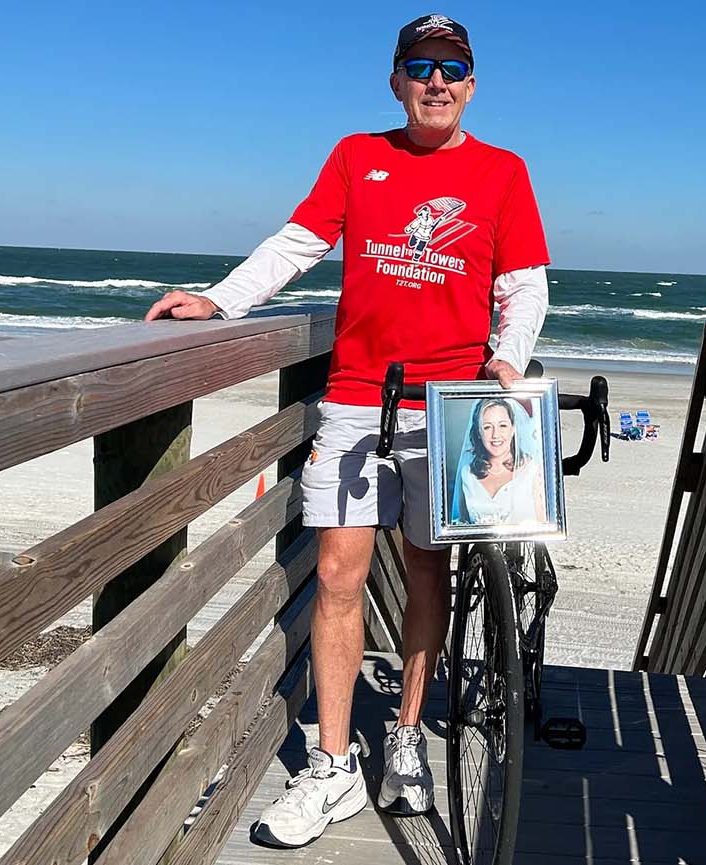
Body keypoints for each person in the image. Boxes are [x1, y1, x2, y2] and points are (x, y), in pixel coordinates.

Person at [143, 13, 549, 849]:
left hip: (450, 406)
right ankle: (332, 764)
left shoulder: (504, 171)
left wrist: (507, 360)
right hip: (362, 395)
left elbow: (524, 284)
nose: (438, 81)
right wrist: (221, 301)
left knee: (427, 569)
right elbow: (296, 244)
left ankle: (404, 735)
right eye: (421, 66)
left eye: (454, 67)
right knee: (337, 571)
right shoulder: (357, 156)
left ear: (473, 84)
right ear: (396, 80)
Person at [451, 397, 546, 526]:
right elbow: (463, 524)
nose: (495, 434)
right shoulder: (467, 474)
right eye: (487, 427)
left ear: (513, 429)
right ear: (478, 432)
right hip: (479, 547)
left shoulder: (534, 471)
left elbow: (543, 525)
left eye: (503, 425)